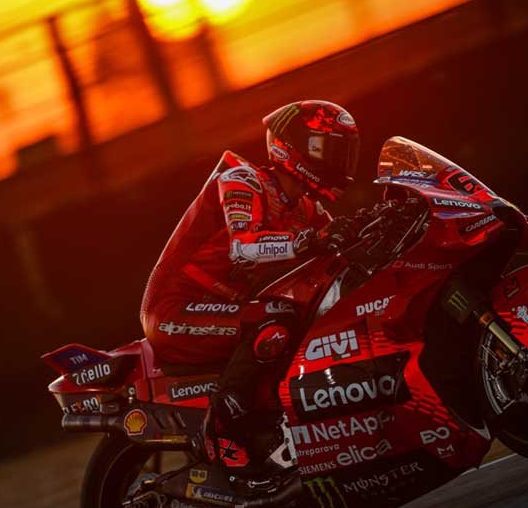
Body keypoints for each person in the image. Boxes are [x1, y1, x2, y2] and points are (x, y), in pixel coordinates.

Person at [139, 100, 362, 475]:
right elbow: (243, 248)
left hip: (226, 308)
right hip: (174, 310)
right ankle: (222, 426)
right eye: (329, 150)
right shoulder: (242, 179)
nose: (340, 162)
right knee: (273, 318)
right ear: (295, 147)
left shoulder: (306, 208)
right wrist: (308, 241)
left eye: (345, 152)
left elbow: (336, 249)